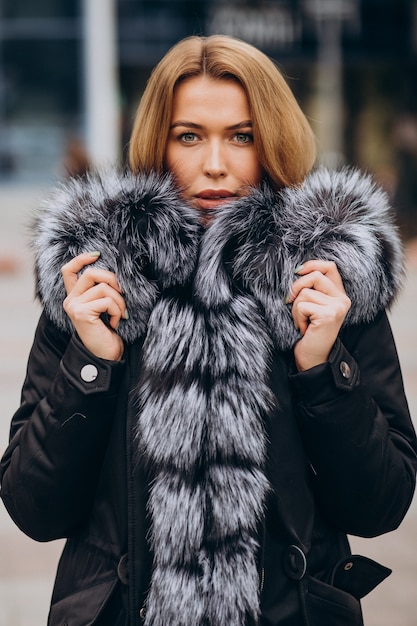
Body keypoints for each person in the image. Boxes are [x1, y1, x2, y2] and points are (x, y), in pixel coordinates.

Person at [1, 34, 416, 626]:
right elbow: (32, 508)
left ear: (272, 140)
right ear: (157, 142)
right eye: (189, 135)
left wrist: (322, 371)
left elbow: (382, 504)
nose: (215, 164)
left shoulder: (329, 280)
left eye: (241, 136)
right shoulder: (98, 282)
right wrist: (92, 366)